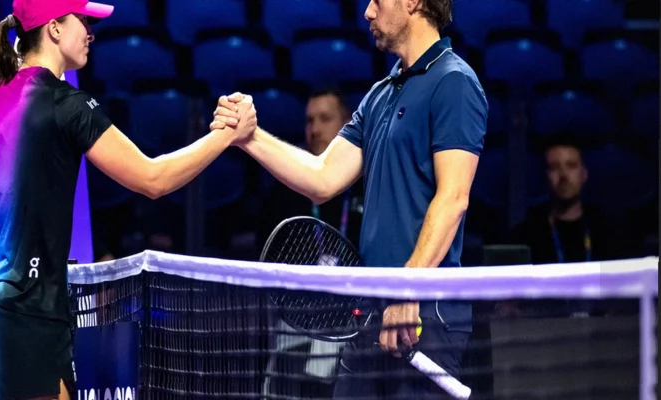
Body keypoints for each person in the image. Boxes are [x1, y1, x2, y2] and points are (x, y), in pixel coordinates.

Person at [0, 1, 257, 399]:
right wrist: (227, 136)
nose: (91, 32)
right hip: (20, 311)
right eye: (83, 20)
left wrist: (20, 209)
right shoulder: (67, 104)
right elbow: (152, 179)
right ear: (54, 28)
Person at [212, 0, 487, 397]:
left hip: (424, 314)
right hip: (371, 315)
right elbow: (322, 177)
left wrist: (408, 289)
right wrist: (249, 136)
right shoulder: (379, 96)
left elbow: (454, 197)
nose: (368, 12)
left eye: (377, 1)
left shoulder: (454, 81)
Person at [499, 134, 632, 317]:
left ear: (584, 173)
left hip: (601, 330)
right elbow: (509, 302)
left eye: (571, 165)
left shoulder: (609, 232)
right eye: (554, 167)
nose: (563, 176)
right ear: (546, 176)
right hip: (545, 330)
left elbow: (625, 297)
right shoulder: (525, 236)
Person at [256, 88, 364, 251]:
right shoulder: (286, 184)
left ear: (348, 125)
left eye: (325, 119)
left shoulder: (368, 183)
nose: (315, 130)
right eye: (309, 121)